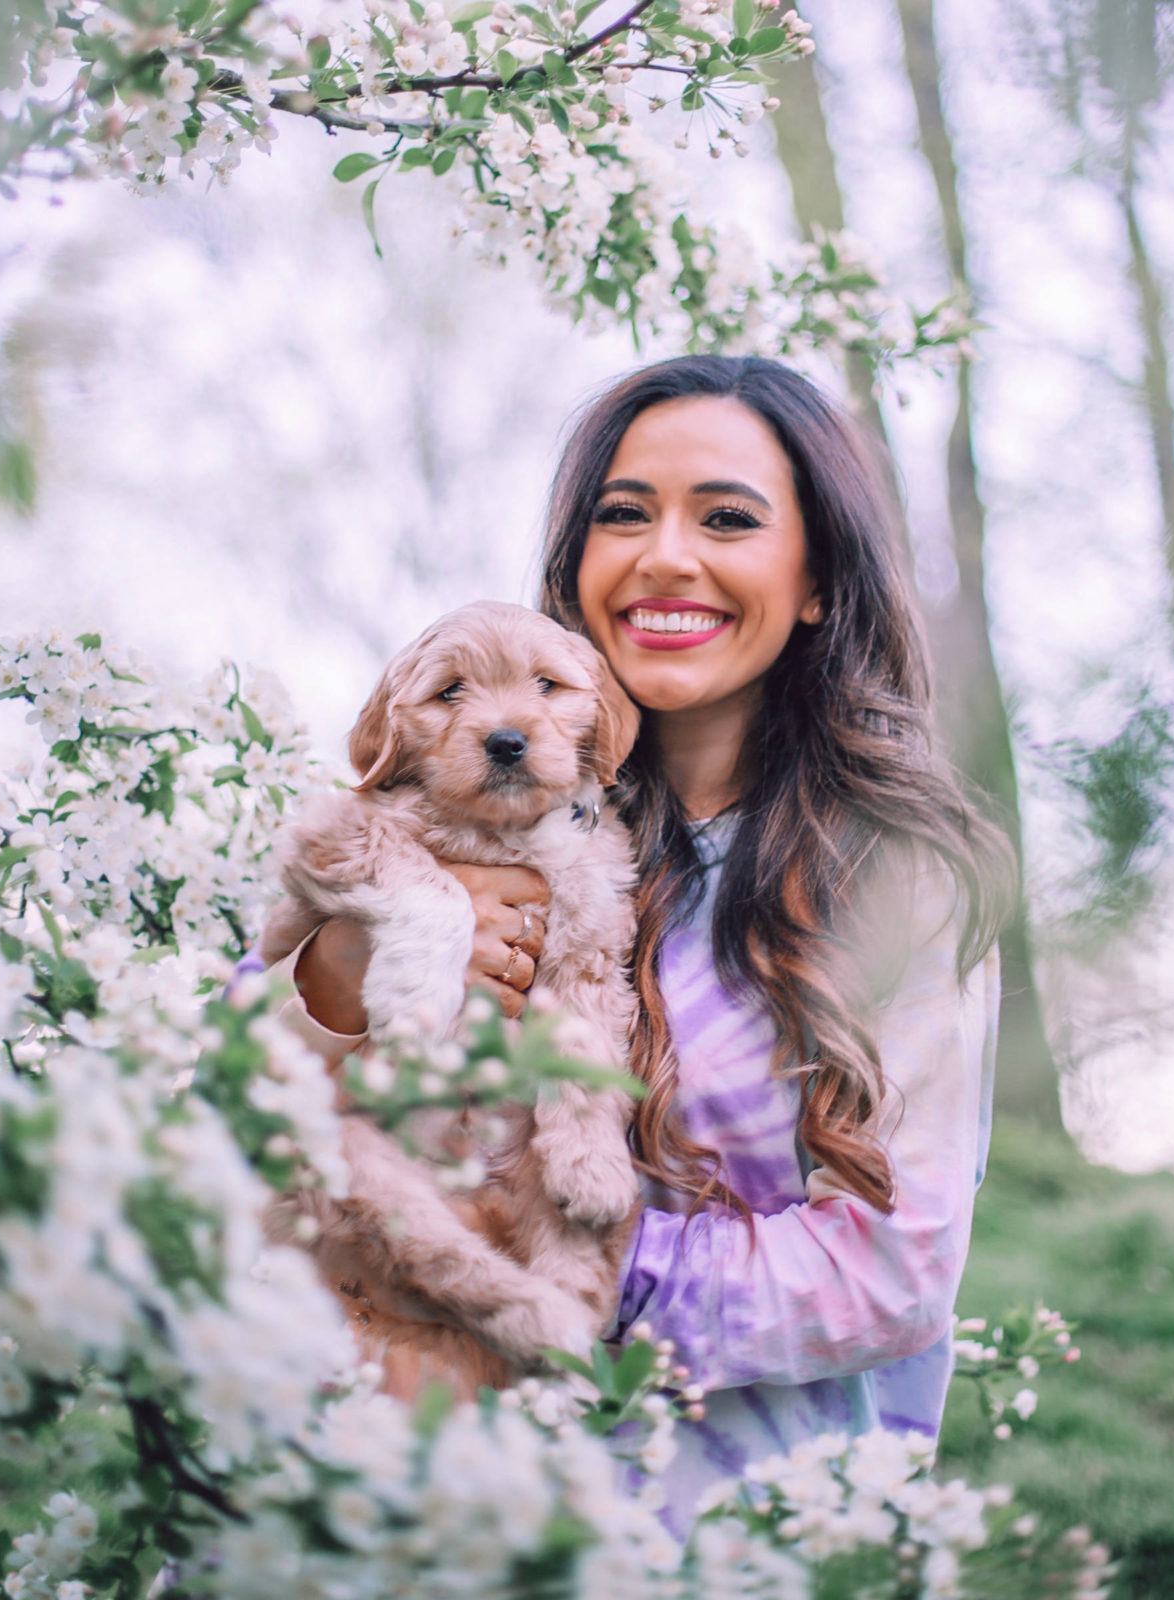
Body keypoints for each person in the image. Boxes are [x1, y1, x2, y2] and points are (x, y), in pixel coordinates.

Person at [268, 354, 1014, 1535]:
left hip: (714, 1529)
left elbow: (891, 1273)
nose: (667, 556)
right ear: (577, 570)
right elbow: (213, 1118)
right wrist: (338, 977)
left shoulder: (890, 883)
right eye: (624, 516)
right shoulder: (458, 815)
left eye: (726, 517)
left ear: (815, 577)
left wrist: (546, 1262)